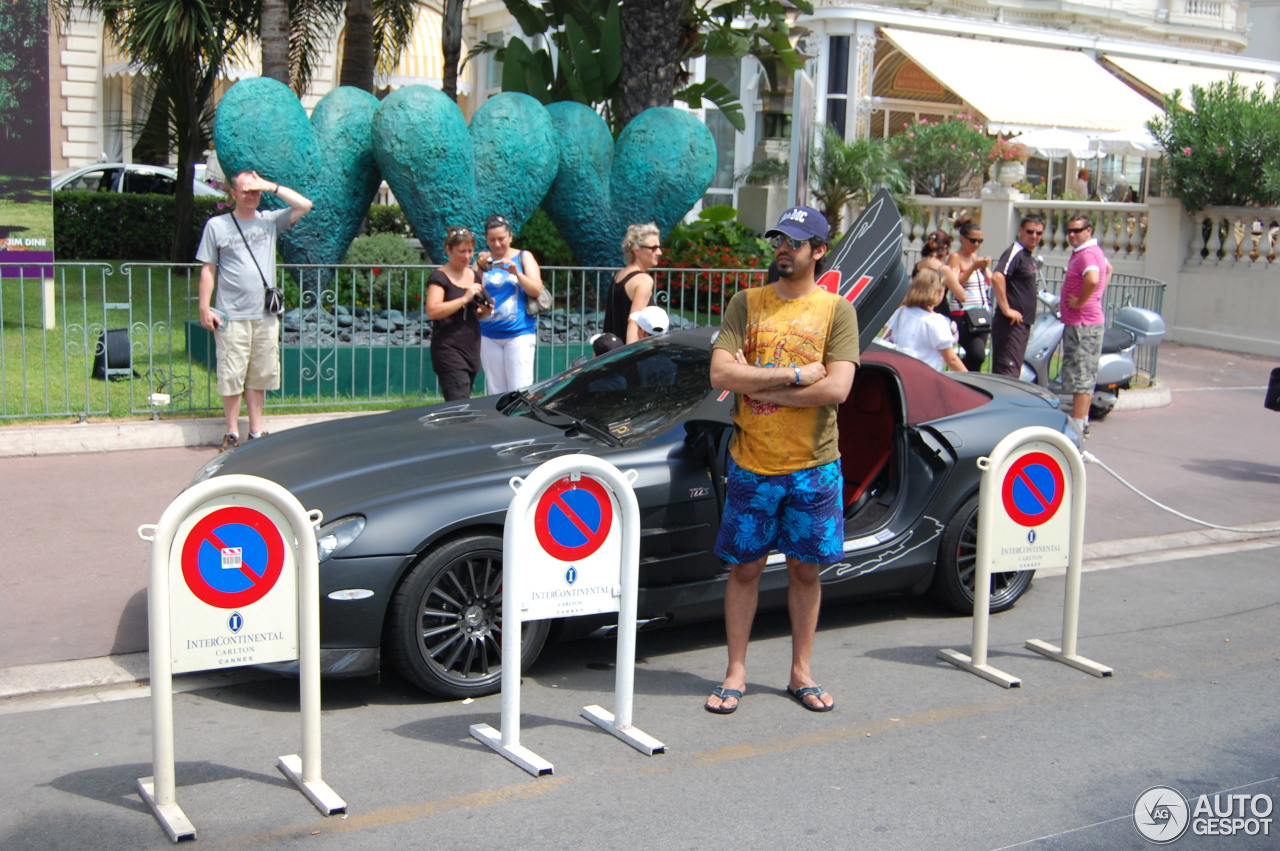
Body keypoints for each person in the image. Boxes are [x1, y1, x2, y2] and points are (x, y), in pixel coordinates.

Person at [704, 205, 859, 716]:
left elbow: (836, 388)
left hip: (814, 466)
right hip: (752, 462)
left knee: (805, 572)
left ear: (819, 250)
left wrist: (760, 384)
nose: (783, 250)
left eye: (795, 242)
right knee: (744, 570)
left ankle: (801, 673)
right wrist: (794, 378)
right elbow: (721, 376)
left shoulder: (837, 311)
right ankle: (735, 672)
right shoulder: (746, 304)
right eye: (778, 241)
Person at [197, 170, 312, 452]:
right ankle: (232, 431)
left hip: (264, 315)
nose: (252, 195)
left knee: (259, 376)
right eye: (247, 190)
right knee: (232, 374)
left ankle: (257, 431)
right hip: (231, 315)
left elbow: (304, 205)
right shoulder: (217, 226)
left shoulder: (269, 221)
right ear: (233, 194)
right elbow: (208, 269)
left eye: (256, 191)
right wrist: (204, 306)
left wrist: (271, 186)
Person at [476, 213, 544, 395]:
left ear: (510, 237)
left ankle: (519, 423)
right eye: (492, 240)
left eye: (501, 239)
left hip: (518, 333)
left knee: (520, 390)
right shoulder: (483, 261)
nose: (497, 244)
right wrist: (481, 268)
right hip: (489, 334)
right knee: (495, 391)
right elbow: (474, 289)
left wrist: (517, 273)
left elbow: (536, 289)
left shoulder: (523, 257)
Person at [426, 226, 492, 401]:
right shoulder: (439, 277)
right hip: (449, 348)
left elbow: (473, 313)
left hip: (470, 347)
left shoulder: (473, 275)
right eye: (461, 251)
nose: (467, 256)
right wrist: (464, 298)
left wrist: (484, 311)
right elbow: (433, 310)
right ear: (449, 250)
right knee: (459, 402)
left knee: (464, 401)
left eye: (470, 251)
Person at [1061, 215, 1112, 439]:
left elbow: (1092, 279)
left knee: (1081, 377)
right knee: (1084, 374)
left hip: (1083, 324)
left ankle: (1079, 426)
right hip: (1085, 321)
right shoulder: (1088, 252)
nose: (1072, 234)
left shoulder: (1087, 254)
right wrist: (1097, 296)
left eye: (1077, 230)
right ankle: (1082, 422)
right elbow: (1109, 268)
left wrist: (1081, 302)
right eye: (1069, 230)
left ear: (1088, 231)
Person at [989, 214, 1046, 377]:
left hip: (1022, 325)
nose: (1034, 236)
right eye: (1030, 231)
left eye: (1039, 233)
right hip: (1010, 325)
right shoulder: (1016, 251)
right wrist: (1006, 309)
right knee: (1007, 372)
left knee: (1013, 372)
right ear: (1021, 230)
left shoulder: (1028, 256)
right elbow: (997, 276)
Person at [883, 269, 967, 372]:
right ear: (940, 292)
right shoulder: (936, 321)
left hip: (899, 373)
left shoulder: (900, 311)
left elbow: (885, 336)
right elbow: (951, 359)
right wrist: (970, 379)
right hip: (924, 376)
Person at [946, 219, 993, 371]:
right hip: (963, 314)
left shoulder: (975, 256)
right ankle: (958, 373)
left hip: (980, 312)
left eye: (980, 241)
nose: (976, 245)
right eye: (973, 240)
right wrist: (973, 267)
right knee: (977, 354)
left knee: (977, 359)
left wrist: (984, 267)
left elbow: (989, 281)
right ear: (963, 238)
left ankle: (969, 384)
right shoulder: (956, 257)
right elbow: (956, 283)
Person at [604, 223, 661, 343]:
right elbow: (634, 321)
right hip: (627, 352)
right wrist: (631, 357)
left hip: (612, 350)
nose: (659, 252)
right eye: (653, 248)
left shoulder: (619, 275)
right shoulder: (644, 280)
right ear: (636, 250)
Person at [914, 229, 963, 311]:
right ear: (945, 248)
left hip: (917, 308)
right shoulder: (943, 268)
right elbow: (962, 296)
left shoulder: (918, 265)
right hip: (937, 310)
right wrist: (955, 276)